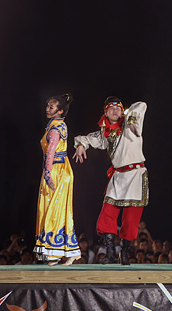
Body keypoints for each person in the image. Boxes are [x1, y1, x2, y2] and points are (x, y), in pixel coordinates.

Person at [73, 96, 148, 266]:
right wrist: (80, 145)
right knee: (107, 213)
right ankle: (110, 253)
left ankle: (125, 252)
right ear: (105, 112)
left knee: (131, 218)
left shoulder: (130, 123)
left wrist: (132, 119)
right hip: (118, 176)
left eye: (118, 108)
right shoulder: (105, 133)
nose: (115, 110)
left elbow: (141, 104)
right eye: (111, 108)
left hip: (135, 174)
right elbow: (87, 139)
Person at [34, 94, 81, 266]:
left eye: (52, 107)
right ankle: (69, 251)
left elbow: (51, 152)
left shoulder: (55, 129)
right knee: (60, 210)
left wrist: (47, 174)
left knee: (53, 209)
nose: (48, 109)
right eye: (47, 105)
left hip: (56, 170)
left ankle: (54, 252)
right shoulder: (56, 126)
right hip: (61, 169)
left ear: (60, 111)